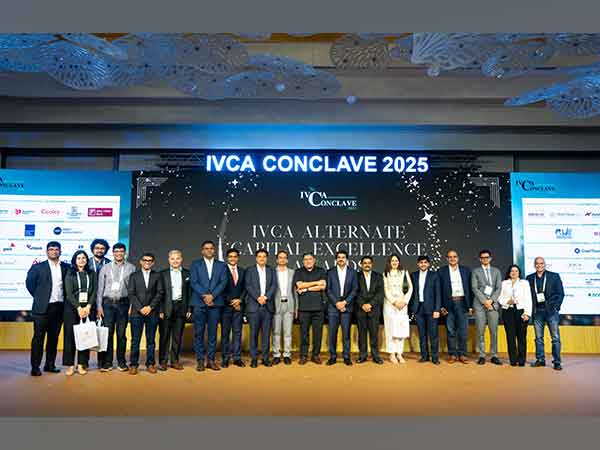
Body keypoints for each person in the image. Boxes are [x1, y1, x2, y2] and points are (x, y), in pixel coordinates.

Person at [25, 241, 69, 376]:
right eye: (51, 249)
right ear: (47, 251)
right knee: (38, 338)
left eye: (56, 249)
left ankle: (50, 365)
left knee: (53, 339)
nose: (54, 251)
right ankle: (35, 367)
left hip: (59, 308)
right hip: (42, 309)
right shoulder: (37, 267)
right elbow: (30, 285)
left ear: (60, 251)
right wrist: (40, 297)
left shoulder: (66, 267)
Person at [96, 243, 136, 372]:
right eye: (116, 251)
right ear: (113, 253)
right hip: (107, 304)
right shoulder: (105, 268)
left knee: (121, 334)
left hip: (123, 303)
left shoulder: (131, 268)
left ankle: (121, 362)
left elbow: (133, 289)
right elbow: (100, 289)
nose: (119, 253)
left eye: (121, 251)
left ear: (125, 253)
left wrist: (132, 306)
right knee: (108, 334)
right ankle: (107, 362)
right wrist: (99, 307)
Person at [190, 240, 228, 372]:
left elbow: (223, 282)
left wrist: (213, 296)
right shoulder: (195, 264)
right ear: (202, 251)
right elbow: (194, 282)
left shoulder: (221, 265)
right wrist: (205, 296)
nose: (209, 250)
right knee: (199, 333)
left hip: (215, 303)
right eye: (206, 248)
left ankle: (210, 360)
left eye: (211, 248)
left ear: (214, 250)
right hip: (199, 303)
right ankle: (200, 360)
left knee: (212, 333)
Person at [127, 252, 164, 375]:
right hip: (137, 313)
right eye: (145, 260)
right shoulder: (134, 276)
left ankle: (150, 364)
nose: (147, 262)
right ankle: (133, 364)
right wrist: (140, 308)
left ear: (153, 263)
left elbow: (160, 293)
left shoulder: (157, 275)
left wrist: (150, 307)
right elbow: (131, 293)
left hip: (152, 313)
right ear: (141, 262)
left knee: (151, 340)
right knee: (135, 340)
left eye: (150, 261)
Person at [526, 257, 565, 370]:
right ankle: (540, 360)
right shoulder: (529, 278)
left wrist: (556, 307)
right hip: (537, 312)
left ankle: (557, 362)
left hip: (551, 312)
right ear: (534, 265)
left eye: (541, 263)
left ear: (545, 264)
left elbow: (560, 293)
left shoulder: (554, 276)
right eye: (537, 263)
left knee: (555, 338)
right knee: (538, 338)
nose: (539, 265)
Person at [63, 250, 97, 376]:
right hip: (72, 308)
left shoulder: (92, 273)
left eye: (84, 258)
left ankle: (82, 364)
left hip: (87, 308)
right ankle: (70, 365)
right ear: (74, 260)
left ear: (87, 260)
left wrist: (88, 306)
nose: (81, 260)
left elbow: (94, 291)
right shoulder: (70, 273)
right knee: (70, 336)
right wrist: (78, 307)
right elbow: (69, 293)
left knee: (85, 336)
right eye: (79, 258)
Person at [158, 250, 192, 371]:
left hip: (181, 307)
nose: (175, 261)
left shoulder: (187, 273)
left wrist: (189, 308)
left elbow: (190, 293)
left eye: (177, 258)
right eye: (172, 259)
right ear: (169, 260)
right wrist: (160, 310)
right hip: (166, 308)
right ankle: (163, 361)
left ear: (181, 259)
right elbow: (159, 294)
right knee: (164, 336)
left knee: (177, 336)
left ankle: (174, 361)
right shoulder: (162, 274)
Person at [437, 250, 472, 364]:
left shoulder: (466, 270)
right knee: (450, 330)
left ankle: (462, 354)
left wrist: (470, 306)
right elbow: (439, 290)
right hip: (448, 304)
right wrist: (441, 306)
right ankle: (452, 354)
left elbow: (470, 289)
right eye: (450, 257)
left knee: (463, 331)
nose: (452, 259)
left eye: (454, 256)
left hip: (462, 303)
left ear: (458, 258)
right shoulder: (441, 271)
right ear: (447, 259)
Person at [293, 252, 327, 365]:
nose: (308, 261)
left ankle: (315, 355)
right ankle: (303, 355)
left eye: (310, 259)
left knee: (318, 334)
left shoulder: (321, 271)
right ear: (303, 261)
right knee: (304, 334)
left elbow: (323, 286)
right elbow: (299, 285)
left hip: (318, 308)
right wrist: (316, 283)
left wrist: (306, 288)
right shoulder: (298, 272)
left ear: (314, 260)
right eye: (306, 259)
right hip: (303, 308)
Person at [244, 248, 277, 367]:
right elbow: (248, 286)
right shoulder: (250, 270)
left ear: (267, 258)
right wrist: (258, 297)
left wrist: (266, 297)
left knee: (266, 334)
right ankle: (254, 359)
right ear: (256, 258)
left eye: (264, 256)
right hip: (254, 306)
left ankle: (265, 358)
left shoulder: (271, 270)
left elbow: (274, 286)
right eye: (259, 256)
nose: (262, 258)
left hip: (267, 307)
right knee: (253, 334)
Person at [326, 250, 358, 366]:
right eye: (339, 257)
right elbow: (328, 290)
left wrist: (345, 302)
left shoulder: (353, 272)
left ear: (347, 259)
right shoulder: (330, 272)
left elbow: (355, 289)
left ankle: (346, 357)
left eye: (343, 257)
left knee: (346, 334)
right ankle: (333, 356)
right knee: (332, 334)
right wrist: (337, 303)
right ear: (336, 259)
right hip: (333, 307)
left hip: (346, 307)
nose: (341, 259)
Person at [471, 249, 503, 365]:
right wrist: (485, 301)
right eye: (483, 257)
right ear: (480, 259)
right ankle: (482, 355)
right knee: (480, 331)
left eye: (487, 257)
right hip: (479, 305)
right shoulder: (475, 271)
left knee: (494, 331)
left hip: (493, 305)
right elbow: (474, 288)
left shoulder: (496, 271)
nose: (485, 259)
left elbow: (498, 288)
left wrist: (491, 301)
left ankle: (494, 355)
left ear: (490, 258)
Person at [409, 255, 442, 364]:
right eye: (421, 262)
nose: (423, 264)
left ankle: (435, 357)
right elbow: (411, 292)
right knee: (422, 335)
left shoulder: (434, 275)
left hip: (432, 309)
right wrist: (412, 308)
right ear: (418, 264)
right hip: (418, 309)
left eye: (425, 262)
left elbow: (438, 294)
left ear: (428, 264)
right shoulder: (413, 275)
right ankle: (424, 356)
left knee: (433, 335)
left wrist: (437, 309)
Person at [84, 238, 110, 369]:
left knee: (103, 332)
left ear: (106, 250)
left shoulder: (109, 264)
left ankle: (102, 361)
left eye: (102, 248)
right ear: (93, 249)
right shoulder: (86, 263)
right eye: (97, 248)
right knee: (87, 332)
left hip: (105, 303)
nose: (99, 250)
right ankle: (84, 361)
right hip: (88, 302)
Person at [499, 264, 532, 367]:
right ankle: (513, 360)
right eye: (512, 271)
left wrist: (527, 313)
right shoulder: (504, 283)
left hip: (521, 312)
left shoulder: (524, 283)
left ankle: (521, 360)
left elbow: (528, 299)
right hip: (507, 311)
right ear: (509, 273)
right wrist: (506, 301)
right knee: (510, 337)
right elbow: (499, 297)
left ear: (519, 273)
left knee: (522, 337)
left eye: (516, 271)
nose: (514, 273)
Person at [382, 254, 412, 364]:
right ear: (389, 262)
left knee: (400, 330)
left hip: (403, 305)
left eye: (396, 260)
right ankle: (392, 353)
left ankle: (399, 353)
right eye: (392, 261)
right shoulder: (385, 273)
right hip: (390, 305)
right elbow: (385, 290)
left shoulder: (404, 272)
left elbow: (410, 288)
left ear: (399, 262)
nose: (394, 262)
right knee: (390, 329)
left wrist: (405, 302)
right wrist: (394, 302)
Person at [356, 255, 385, 364]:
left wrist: (370, 304)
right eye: (365, 263)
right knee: (362, 334)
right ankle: (362, 355)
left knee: (374, 334)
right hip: (360, 309)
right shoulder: (356, 276)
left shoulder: (378, 276)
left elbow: (380, 293)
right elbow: (355, 292)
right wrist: (362, 304)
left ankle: (375, 356)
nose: (367, 265)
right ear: (361, 265)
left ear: (372, 264)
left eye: (369, 263)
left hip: (374, 310)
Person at [221, 248, 246, 368]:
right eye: (230, 256)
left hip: (239, 308)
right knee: (225, 334)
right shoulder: (222, 271)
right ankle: (225, 358)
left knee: (237, 333)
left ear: (238, 258)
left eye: (235, 256)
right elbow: (221, 288)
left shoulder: (242, 271)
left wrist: (239, 300)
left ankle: (237, 358)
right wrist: (232, 301)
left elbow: (245, 288)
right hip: (226, 307)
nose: (233, 258)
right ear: (227, 258)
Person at [272, 250, 296, 365]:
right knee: (276, 332)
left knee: (288, 332)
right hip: (276, 305)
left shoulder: (292, 272)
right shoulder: (272, 272)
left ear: (287, 260)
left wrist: (296, 307)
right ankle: (276, 355)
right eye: (280, 257)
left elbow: (295, 291)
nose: (282, 259)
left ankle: (287, 354)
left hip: (289, 304)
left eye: (284, 257)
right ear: (277, 260)